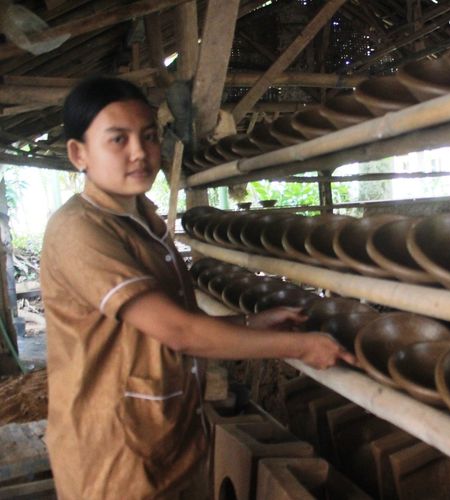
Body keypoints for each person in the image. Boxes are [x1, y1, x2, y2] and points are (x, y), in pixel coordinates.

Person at [40, 76, 355, 500]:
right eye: (118, 139)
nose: (140, 152)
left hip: (168, 437)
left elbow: (165, 326)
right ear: (79, 154)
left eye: (149, 136)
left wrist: (250, 322)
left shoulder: (143, 221)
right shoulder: (79, 230)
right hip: (115, 454)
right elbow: (178, 332)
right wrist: (296, 347)